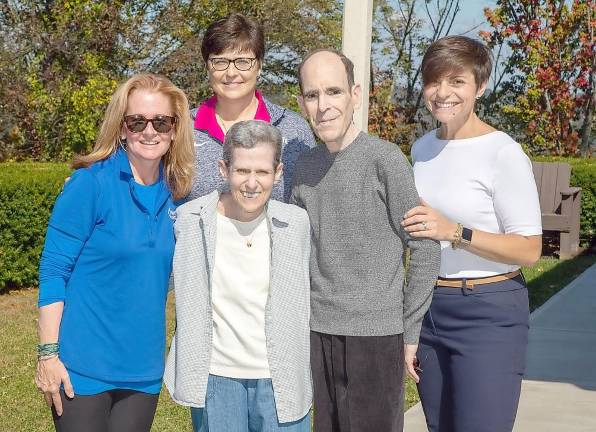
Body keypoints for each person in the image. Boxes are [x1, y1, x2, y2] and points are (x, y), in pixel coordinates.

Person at [291, 49, 441, 432]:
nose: (323, 106)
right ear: (302, 102)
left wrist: (410, 330)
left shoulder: (385, 161)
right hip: (317, 332)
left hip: (376, 337)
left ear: (355, 95)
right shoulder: (304, 167)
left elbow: (424, 246)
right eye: (312, 95)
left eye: (334, 92)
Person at [35, 73, 195, 432]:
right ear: (122, 128)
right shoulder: (89, 184)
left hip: (143, 371)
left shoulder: (180, 198)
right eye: (137, 121)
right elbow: (53, 272)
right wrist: (48, 355)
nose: (149, 131)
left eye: (161, 122)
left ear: (174, 129)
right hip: (82, 368)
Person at [401, 35, 542, 432]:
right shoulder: (421, 150)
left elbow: (530, 250)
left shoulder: (502, 152)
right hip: (431, 309)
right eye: (433, 81)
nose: (442, 92)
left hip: (488, 312)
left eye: (456, 82)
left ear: (480, 86)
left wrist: (455, 231)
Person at [164, 120, 312, 432]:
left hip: (280, 376)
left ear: (278, 172)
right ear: (223, 169)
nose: (252, 183)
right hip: (216, 376)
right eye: (242, 171)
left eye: (262, 172)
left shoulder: (296, 223)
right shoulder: (191, 220)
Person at [190, 13, 316, 202]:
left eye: (242, 62)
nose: (231, 73)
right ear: (207, 67)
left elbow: (310, 204)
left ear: (259, 65)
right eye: (220, 62)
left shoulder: (293, 129)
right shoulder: (182, 128)